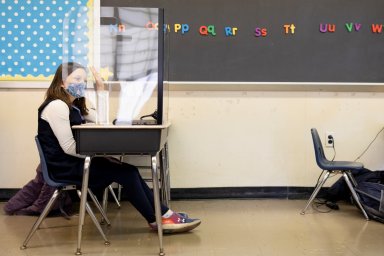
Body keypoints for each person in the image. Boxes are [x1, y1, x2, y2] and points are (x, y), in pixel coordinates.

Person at [37, 62, 201, 233]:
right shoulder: (57, 106)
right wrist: (98, 155)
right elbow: (69, 147)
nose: (82, 84)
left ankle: (163, 215)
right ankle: (157, 219)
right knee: (127, 173)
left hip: (76, 162)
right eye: (77, 79)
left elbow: (102, 119)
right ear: (62, 82)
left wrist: (100, 89)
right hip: (64, 168)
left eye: (85, 81)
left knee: (129, 170)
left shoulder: (75, 107)